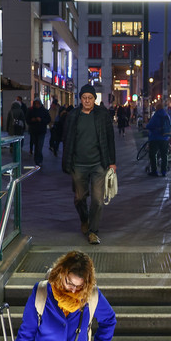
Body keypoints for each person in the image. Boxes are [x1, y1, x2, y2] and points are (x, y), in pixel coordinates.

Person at [62, 85, 116, 245]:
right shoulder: (73, 115)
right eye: (84, 97)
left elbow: (110, 138)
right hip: (78, 164)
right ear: (80, 99)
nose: (87, 100)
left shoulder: (102, 115)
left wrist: (112, 162)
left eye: (90, 98)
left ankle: (93, 231)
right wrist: (67, 160)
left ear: (94, 99)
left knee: (98, 200)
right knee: (79, 198)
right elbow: (67, 139)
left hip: (99, 164)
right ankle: (84, 219)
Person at [144, 102, 171, 177]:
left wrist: (146, 126)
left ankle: (154, 171)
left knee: (153, 154)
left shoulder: (156, 116)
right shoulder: (166, 115)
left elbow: (149, 126)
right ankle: (163, 171)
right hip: (165, 138)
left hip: (155, 138)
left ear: (157, 108)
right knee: (164, 155)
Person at [26, 98, 52, 166]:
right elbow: (27, 120)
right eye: (36, 103)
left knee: (39, 146)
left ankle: (39, 160)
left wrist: (41, 120)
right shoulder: (30, 110)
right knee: (36, 145)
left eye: (38, 103)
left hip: (41, 131)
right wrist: (33, 120)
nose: (37, 105)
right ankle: (37, 159)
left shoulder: (44, 111)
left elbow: (48, 119)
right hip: (33, 130)